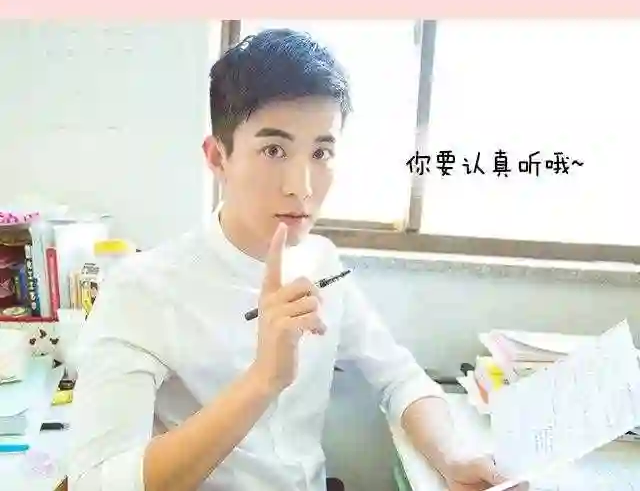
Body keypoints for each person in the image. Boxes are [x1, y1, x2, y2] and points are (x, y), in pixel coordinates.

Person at [67, 28, 524, 491]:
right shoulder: (143, 290)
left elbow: (399, 377)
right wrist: (262, 380)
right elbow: (96, 482)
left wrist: (452, 457)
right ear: (218, 157)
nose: (301, 187)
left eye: (321, 152)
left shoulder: (322, 263)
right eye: (274, 150)